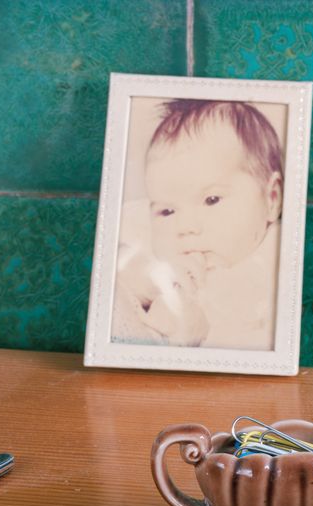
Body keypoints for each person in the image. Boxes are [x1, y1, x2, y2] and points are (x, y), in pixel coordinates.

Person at [112, 99, 284, 350]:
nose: (186, 227)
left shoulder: (277, 266)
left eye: (211, 200)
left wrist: (197, 336)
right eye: (167, 211)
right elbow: (113, 263)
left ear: (271, 199)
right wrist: (146, 278)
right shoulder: (148, 238)